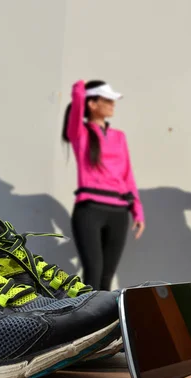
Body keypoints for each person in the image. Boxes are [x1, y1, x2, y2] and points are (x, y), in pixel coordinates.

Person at [61, 79, 145, 291]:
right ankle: (86, 323)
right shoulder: (79, 133)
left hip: (118, 212)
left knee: (107, 278)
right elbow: (78, 98)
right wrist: (81, 85)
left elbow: (128, 176)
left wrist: (137, 210)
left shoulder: (119, 137)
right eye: (107, 100)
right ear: (92, 104)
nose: (112, 104)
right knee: (93, 273)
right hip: (90, 210)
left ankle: (104, 323)